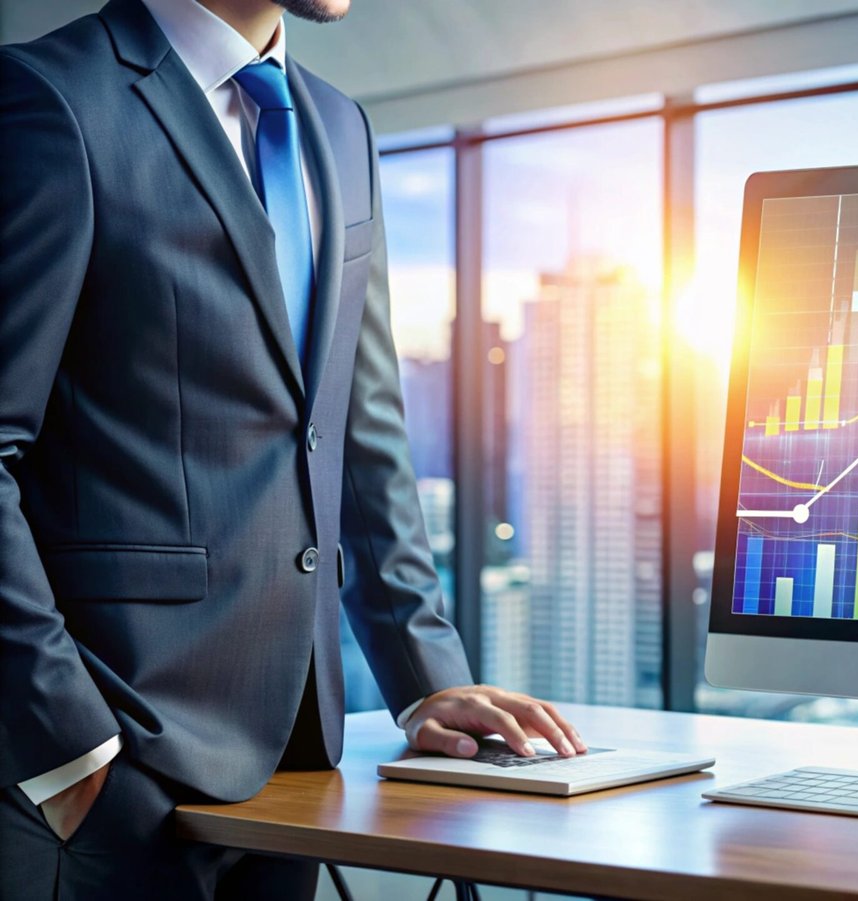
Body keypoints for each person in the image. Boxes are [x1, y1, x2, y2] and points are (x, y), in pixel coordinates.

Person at [0, 1, 584, 897]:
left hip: (295, 770)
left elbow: (358, 427)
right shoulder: (53, 98)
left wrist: (426, 680)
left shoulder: (338, 125)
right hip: (112, 771)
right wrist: (72, 752)